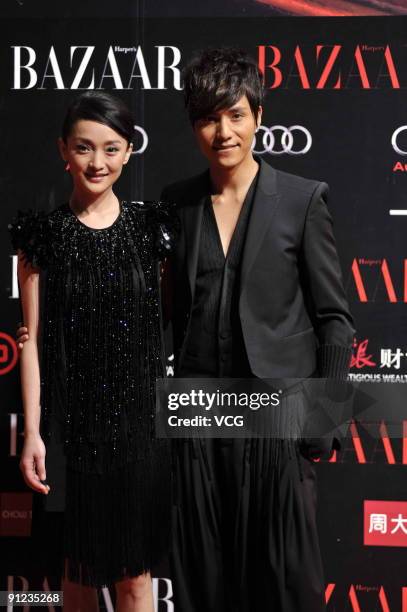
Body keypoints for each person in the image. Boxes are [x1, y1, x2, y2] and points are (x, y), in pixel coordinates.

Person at [159, 47, 355, 612]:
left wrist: (324, 421)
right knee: (202, 580)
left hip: (279, 421)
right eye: (208, 118)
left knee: (285, 586)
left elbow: (335, 320)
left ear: (258, 116)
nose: (223, 131)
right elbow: (164, 316)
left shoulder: (302, 199)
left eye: (235, 114)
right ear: (195, 126)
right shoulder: (178, 203)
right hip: (198, 426)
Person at [10, 91, 176, 612]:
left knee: (135, 581)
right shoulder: (43, 236)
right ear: (64, 149)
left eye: (111, 148)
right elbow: (31, 340)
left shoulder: (153, 230)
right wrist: (34, 434)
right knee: (76, 579)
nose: (97, 162)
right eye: (84, 148)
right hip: (69, 433)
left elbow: (168, 324)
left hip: (139, 433)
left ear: (129, 151)